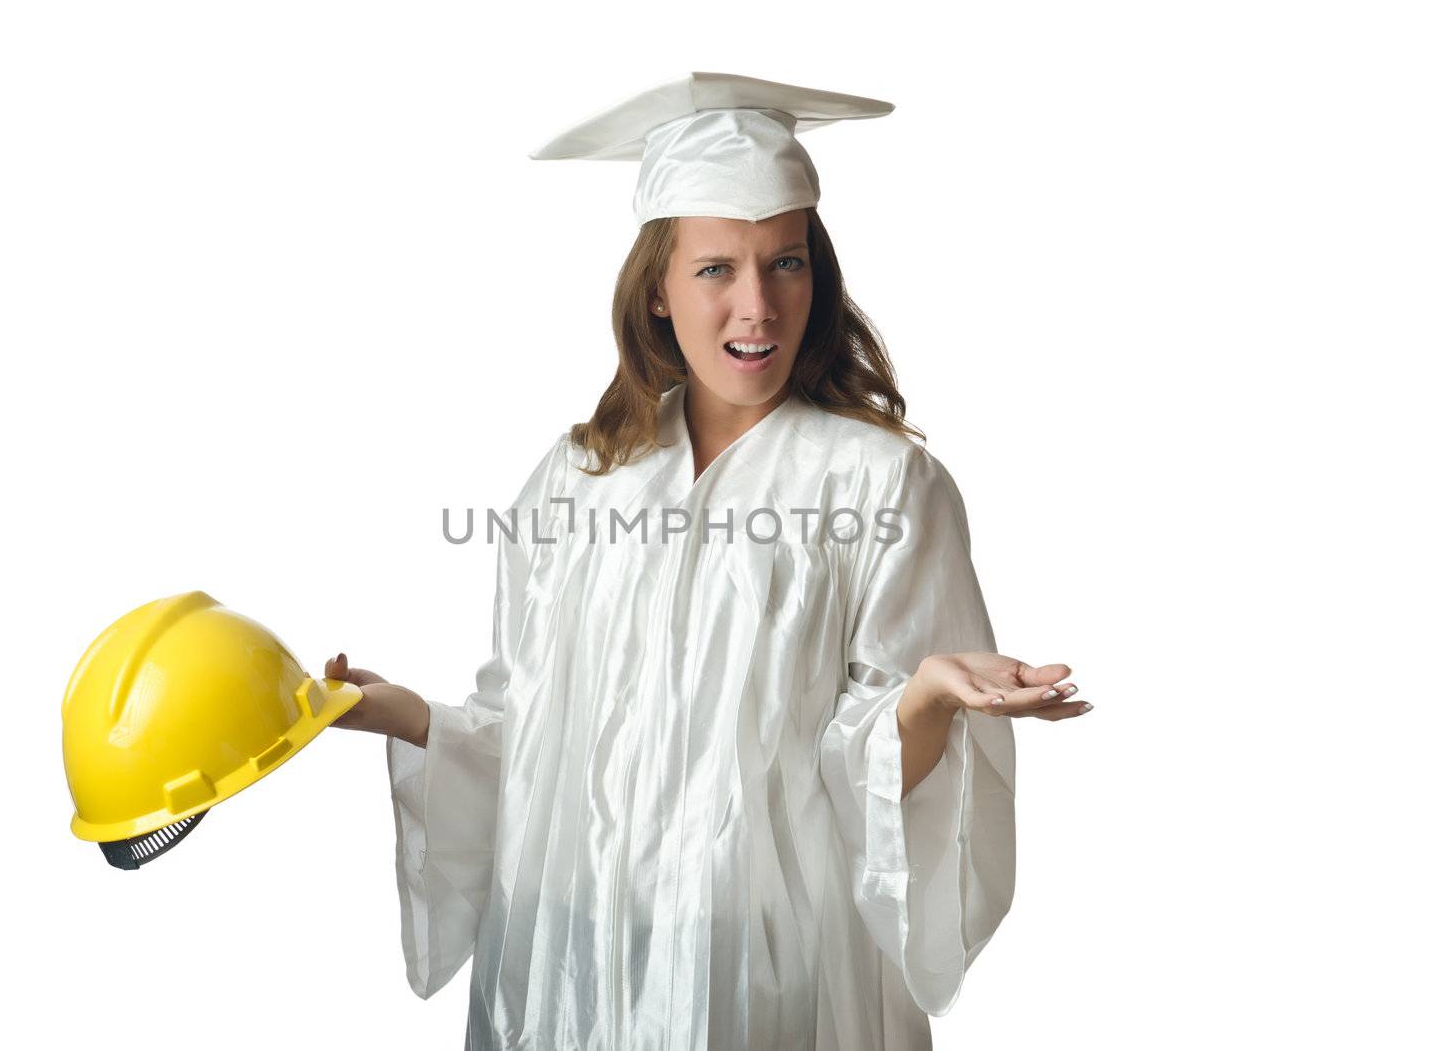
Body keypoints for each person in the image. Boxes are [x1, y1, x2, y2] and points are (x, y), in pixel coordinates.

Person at [326, 72, 1091, 1050]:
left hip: (768, 980)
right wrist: (398, 713)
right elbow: (527, 738)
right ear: (656, 286)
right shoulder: (577, 479)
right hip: (576, 969)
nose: (757, 304)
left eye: (785, 263)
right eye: (714, 268)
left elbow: (872, 781)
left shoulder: (879, 484)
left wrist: (927, 696)